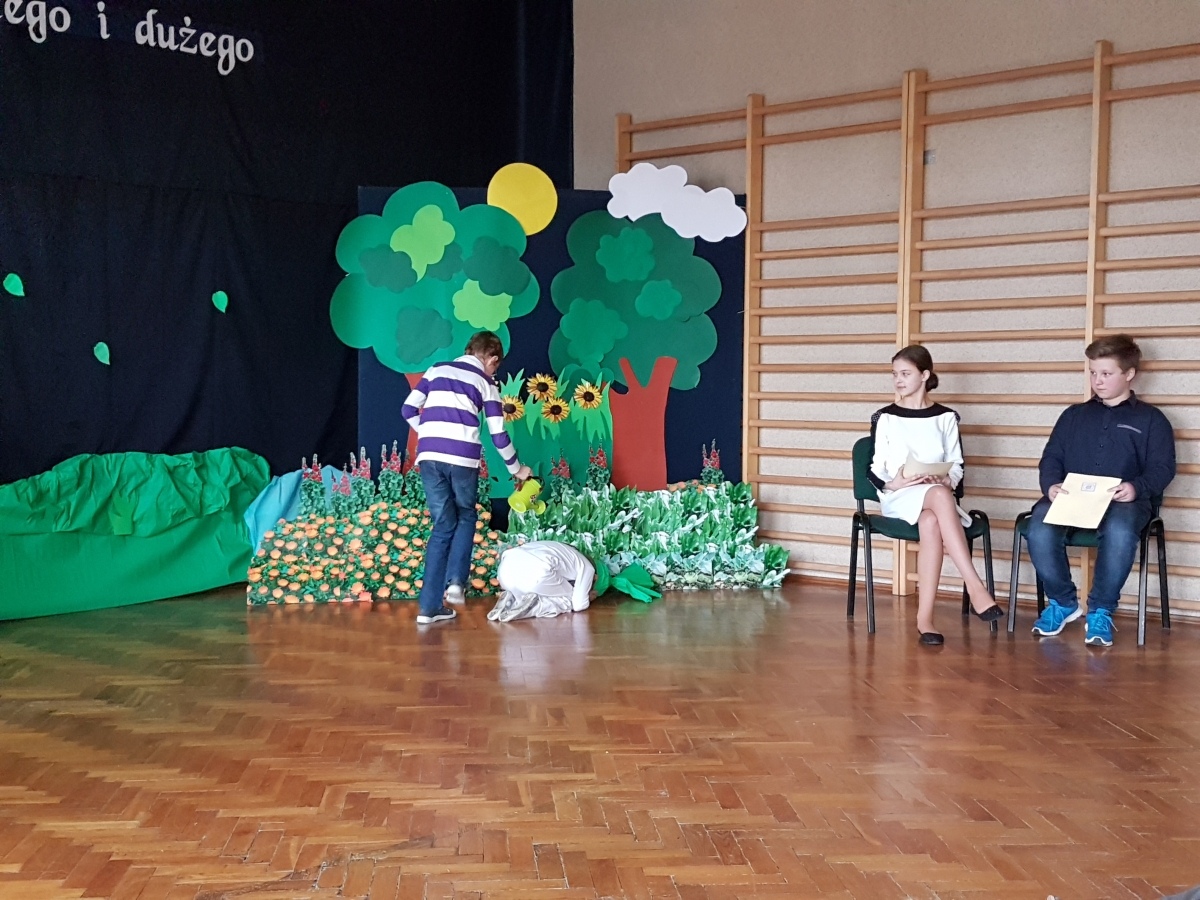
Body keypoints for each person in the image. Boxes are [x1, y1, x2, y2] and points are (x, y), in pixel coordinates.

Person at [1028, 335, 1175, 647]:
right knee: (1038, 523)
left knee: (1120, 530)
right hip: (1073, 497)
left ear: (1129, 374)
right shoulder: (1073, 415)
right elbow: (1051, 458)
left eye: (1106, 373)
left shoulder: (1152, 419)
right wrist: (1051, 485)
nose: (1097, 380)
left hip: (1125, 502)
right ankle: (1063, 603)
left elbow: (1163, 468)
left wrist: (1136, 487)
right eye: (1093, 372)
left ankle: (1101, 611)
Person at [868, 345, 1004, 646]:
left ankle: (925, 619)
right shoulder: (885, 417)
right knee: (941, 496)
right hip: (899, 496)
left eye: (905, 374)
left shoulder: (946, 417)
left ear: (924, 375)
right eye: (895, 374)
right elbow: (874, 469)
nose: (898, 380)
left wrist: (945, 478)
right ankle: (976, 587)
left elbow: (957, 466)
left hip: (934, 495)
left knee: (931, 519)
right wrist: (895, 482)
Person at [402, 331, 532, 625]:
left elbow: (407, 409)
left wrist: (430, 432)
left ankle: (428, 608)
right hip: (462, 459)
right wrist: (517, 469)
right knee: (466, 514)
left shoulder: (436, 370)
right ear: (493, 359)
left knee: (442, 525)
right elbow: (498, 435)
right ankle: (456, 582)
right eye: (496, 366)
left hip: (429, 457)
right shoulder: (486, 382)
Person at [487, 540, 596, 623]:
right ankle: (535, 607)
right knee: (569, 599)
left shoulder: (555, 547)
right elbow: (579, 605)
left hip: (504, 572)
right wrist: (588, 597)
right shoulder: (588, 567)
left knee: (539, 588)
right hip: (537, 573)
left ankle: (511, 599)